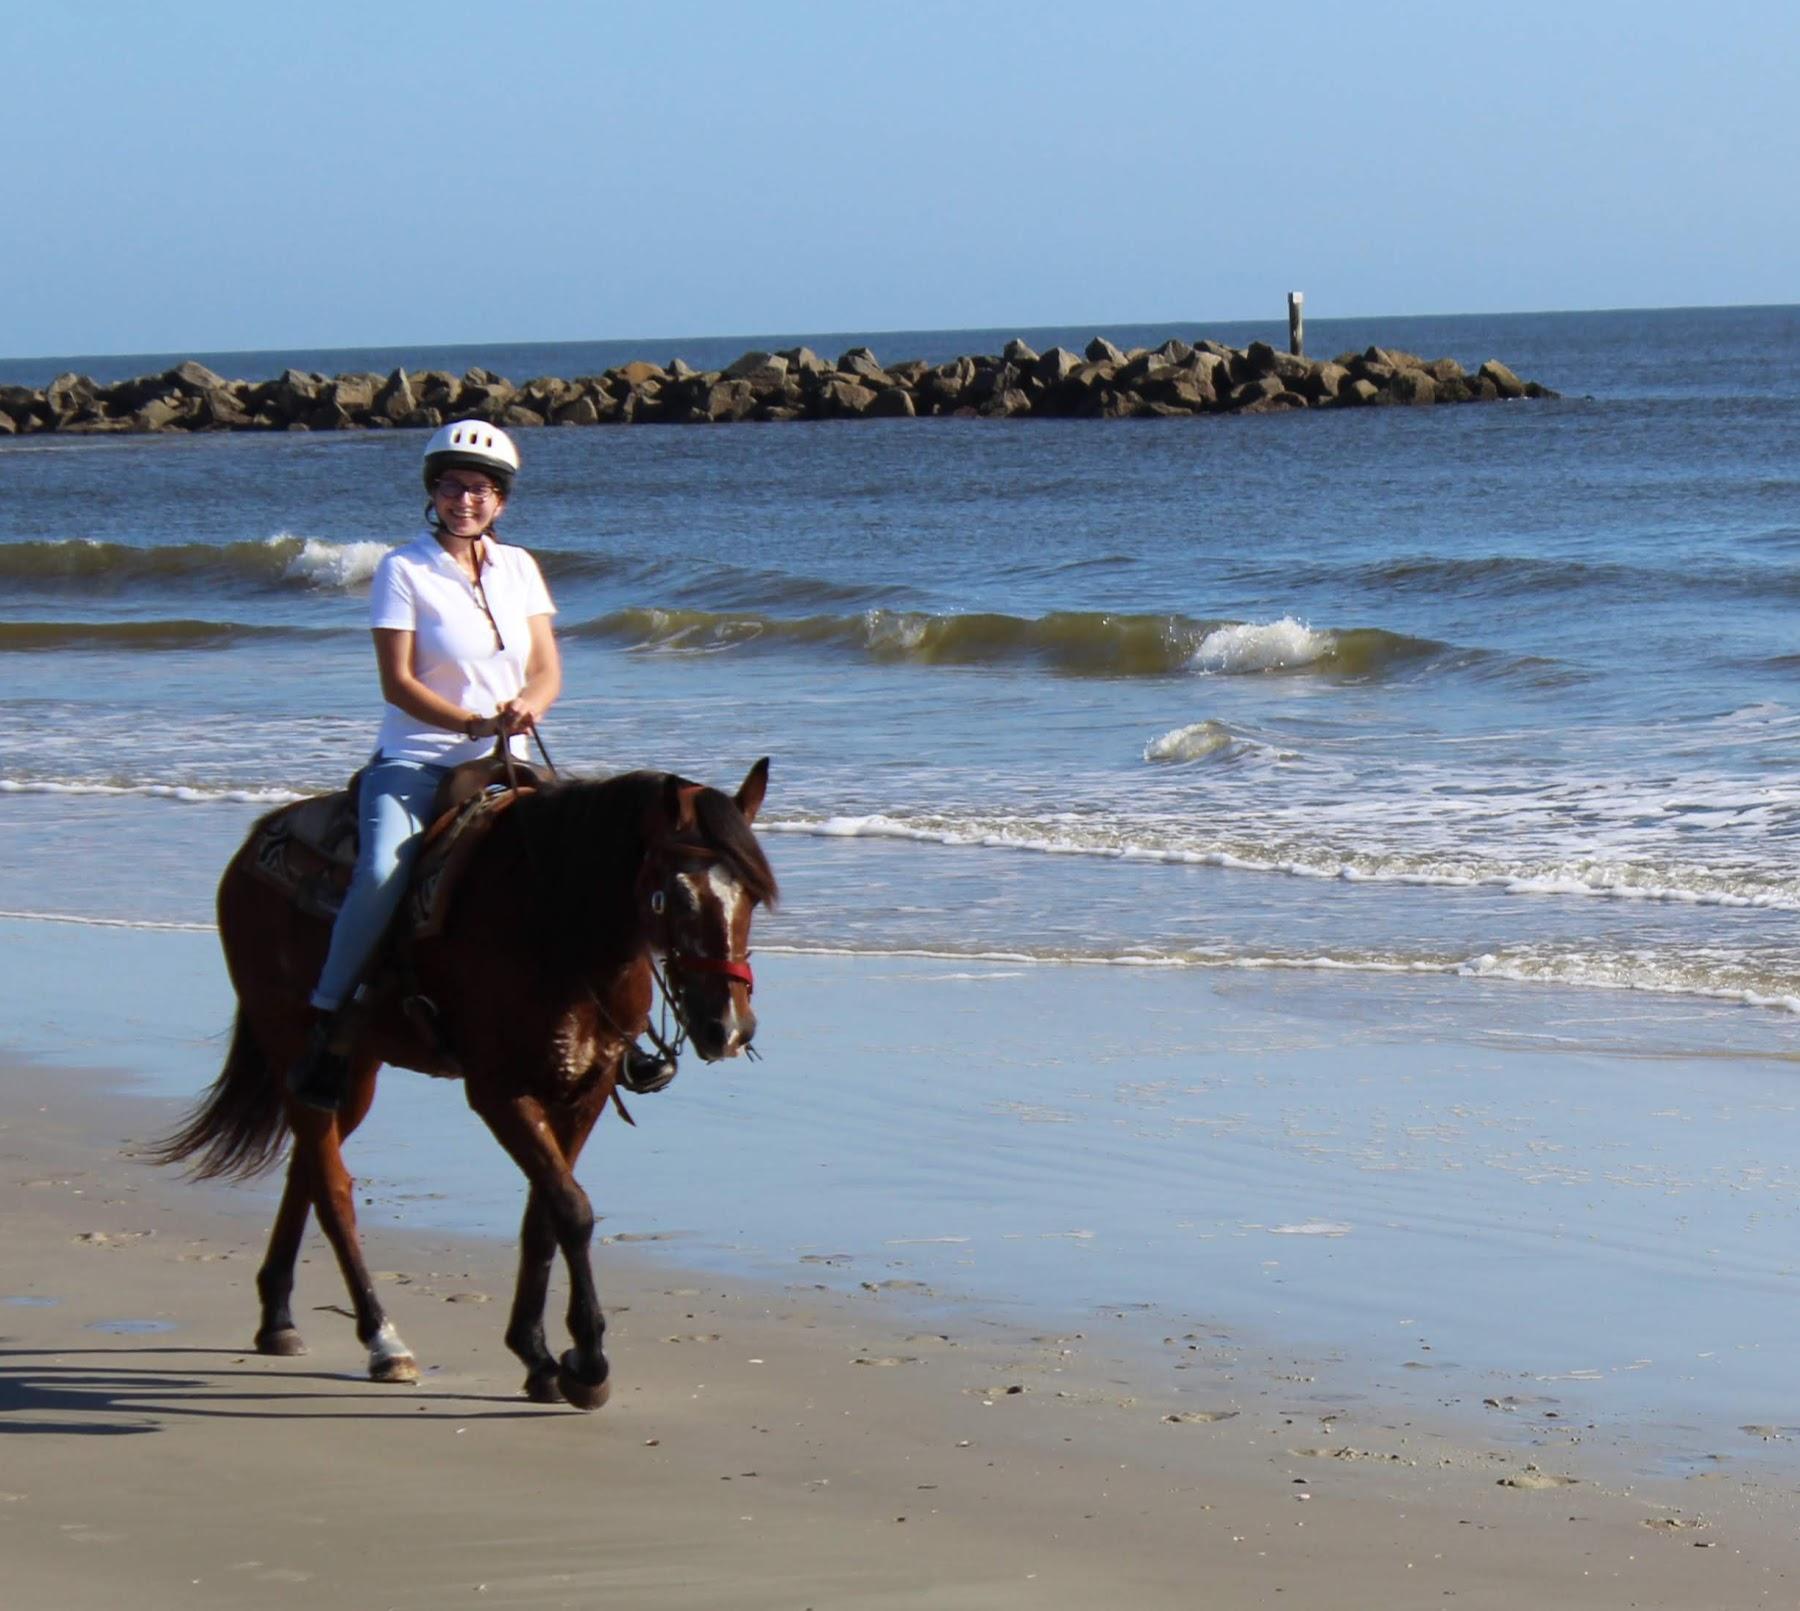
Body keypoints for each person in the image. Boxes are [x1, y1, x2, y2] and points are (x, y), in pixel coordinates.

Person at [287, 420, 561, 1112]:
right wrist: (471, 722)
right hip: (417, 760)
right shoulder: (402, 569)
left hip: (509, 761)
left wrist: (529, 703)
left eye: (479, 488)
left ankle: (617, 1025)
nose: (465, 498)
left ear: (500, 500)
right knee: (382, 872)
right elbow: (398, 683)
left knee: (592, 859)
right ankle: (329, 1019)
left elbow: (549, 666)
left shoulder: (521, 567)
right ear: (432, 492)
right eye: (451, 485)